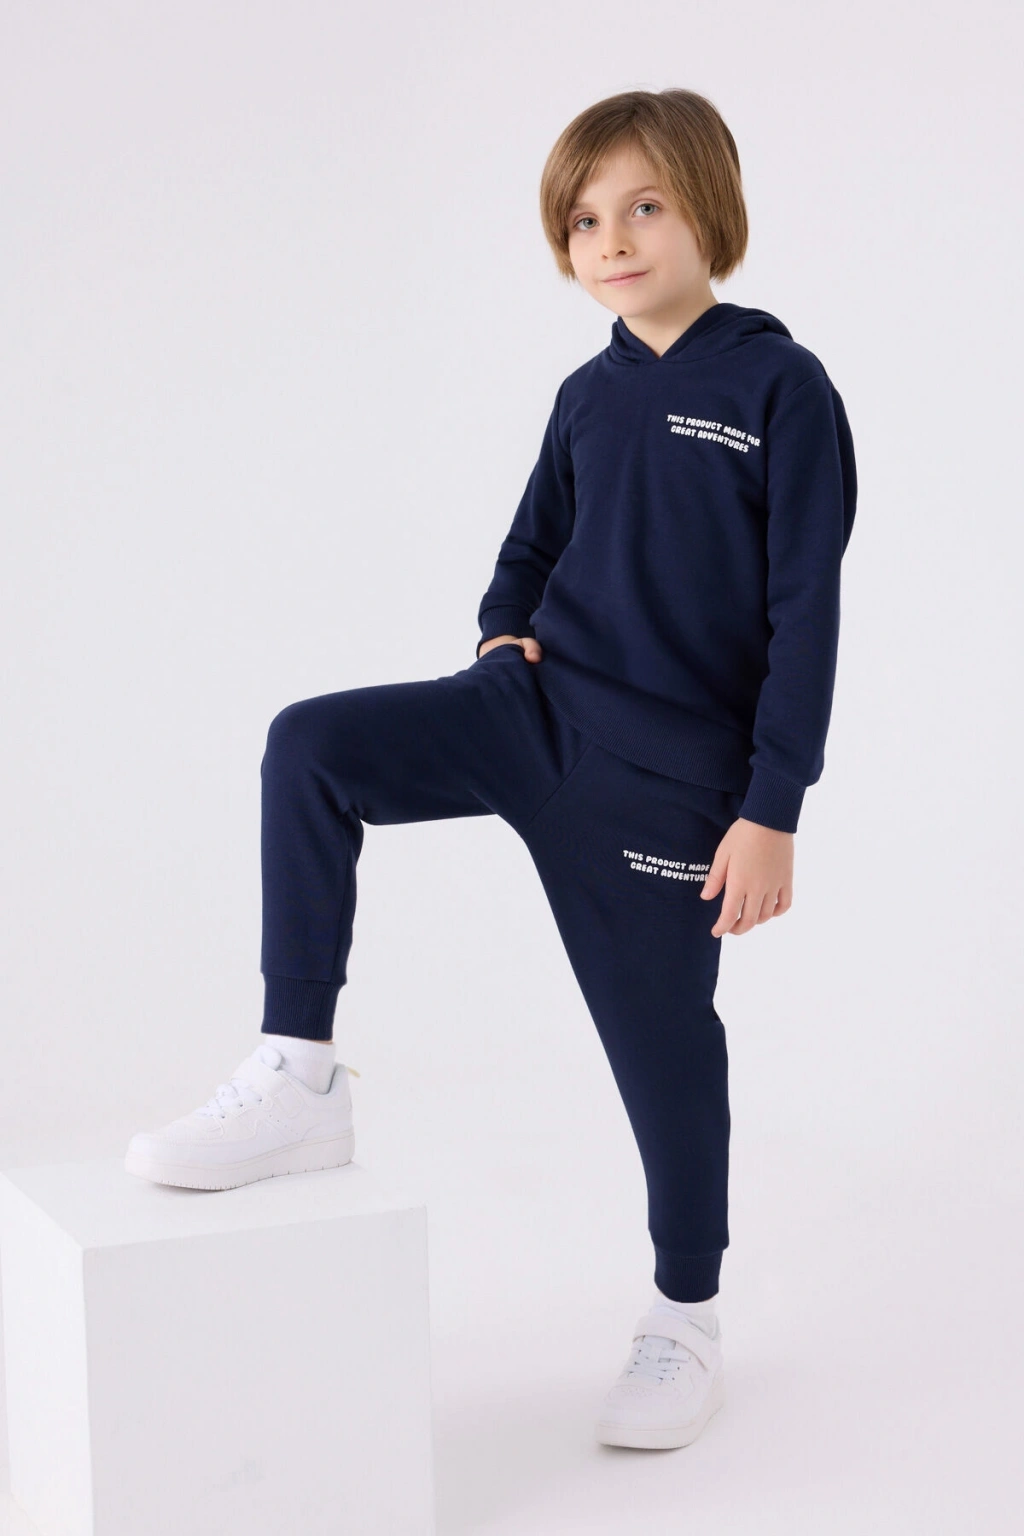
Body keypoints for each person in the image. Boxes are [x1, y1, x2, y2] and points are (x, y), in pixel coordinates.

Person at [125, 86, 857, 1452]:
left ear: (711, 207)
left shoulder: (781, 388)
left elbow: (805, 612)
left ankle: (686, 1315)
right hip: (528, 712)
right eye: (584, 220)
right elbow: (528, 548)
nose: (612, 240)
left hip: (666, 780)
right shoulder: (588, 395)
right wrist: (498, 634)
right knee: (311, 745)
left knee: (664, 1049)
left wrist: (772, 809)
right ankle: (299, 1073)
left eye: (644, 206)